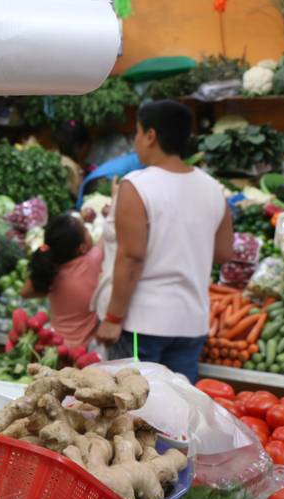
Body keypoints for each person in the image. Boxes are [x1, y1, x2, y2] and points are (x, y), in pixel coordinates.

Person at [95, 100, 234, 382]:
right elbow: (224, 252)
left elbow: (131, 257)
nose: (135, 141)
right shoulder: (212, 188)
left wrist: (112, 318)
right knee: (177, 411)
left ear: (151, 136)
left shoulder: (136, 185)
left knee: (133, 412)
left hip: (142, 323)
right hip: (191, 323)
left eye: (136, 133)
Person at [21, 212, 104, 351]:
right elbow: (106, 238)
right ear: (82, 247)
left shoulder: (50, 270)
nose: (88, 231)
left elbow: (25, 292)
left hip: (55, 347)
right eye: (85, 230)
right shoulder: (91, 263)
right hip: (82, 352)